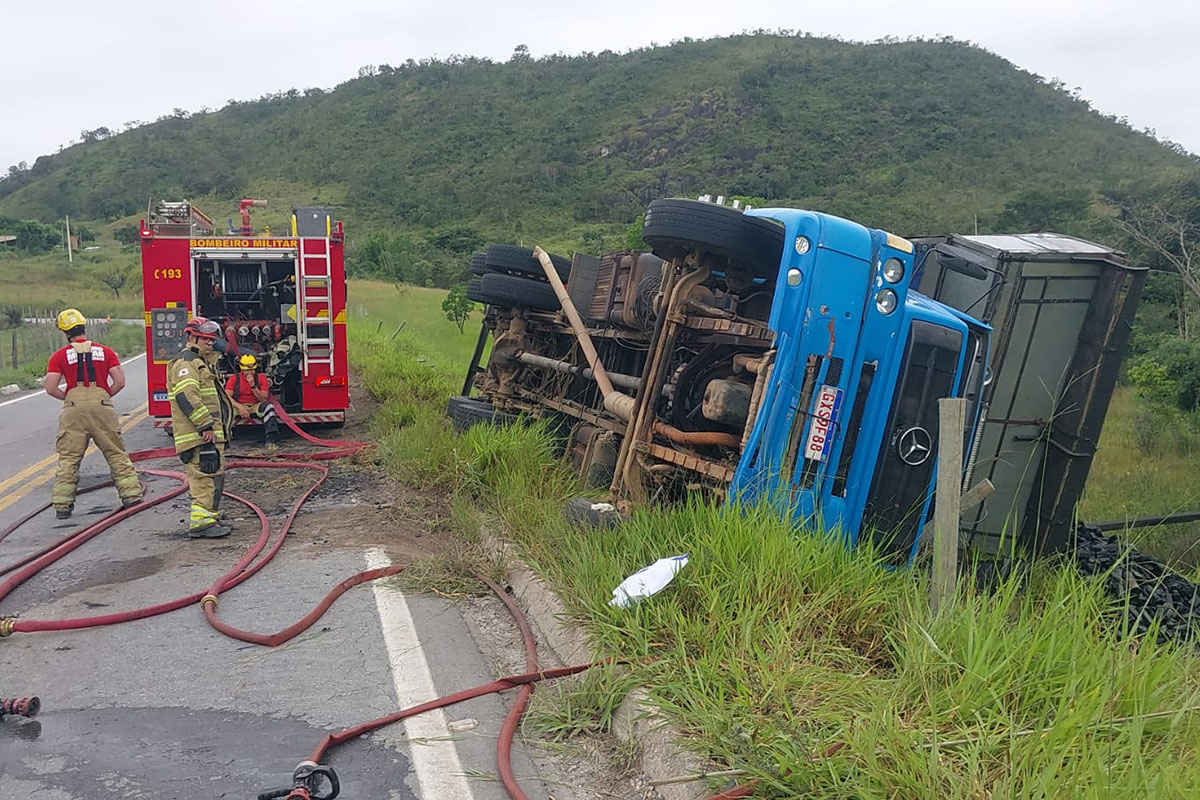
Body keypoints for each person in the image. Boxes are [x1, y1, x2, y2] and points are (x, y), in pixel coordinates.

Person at [44, 308, 143, 519]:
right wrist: (104, 397)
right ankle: (132, 497)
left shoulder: (59, 356)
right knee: (115, 453)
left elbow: (51, 387)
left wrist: (72, 400)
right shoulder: (106, 352)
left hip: (73, 410)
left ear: (64, 331)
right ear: (83, 327)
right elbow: (120, 382)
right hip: (102, 406)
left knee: (69, 457)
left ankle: (62, 506)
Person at [166, 317, 248, 538]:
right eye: (205, 339)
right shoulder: (186, 364)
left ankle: (209, 515)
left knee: (213, 476)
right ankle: (201, 523)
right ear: (191, 337)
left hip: (209, 435)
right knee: (203, 478)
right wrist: (204, 426)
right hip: (199, 436)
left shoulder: (201, 363)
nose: (210, 344)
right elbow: (186, 396)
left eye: (212, 340)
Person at [224, 354, 281, 449]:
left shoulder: (261, 378)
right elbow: (226, 397)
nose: (249, 372)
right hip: (239, 406)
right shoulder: (234, 379)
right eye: (247, 370)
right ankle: (226, 440)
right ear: (242, 370)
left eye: (251, 370)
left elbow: (263, 399)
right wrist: (240, 407)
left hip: (256, 405)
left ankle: (271, 440)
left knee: (269, 408)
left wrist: (253, 386)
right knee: (225, 410)